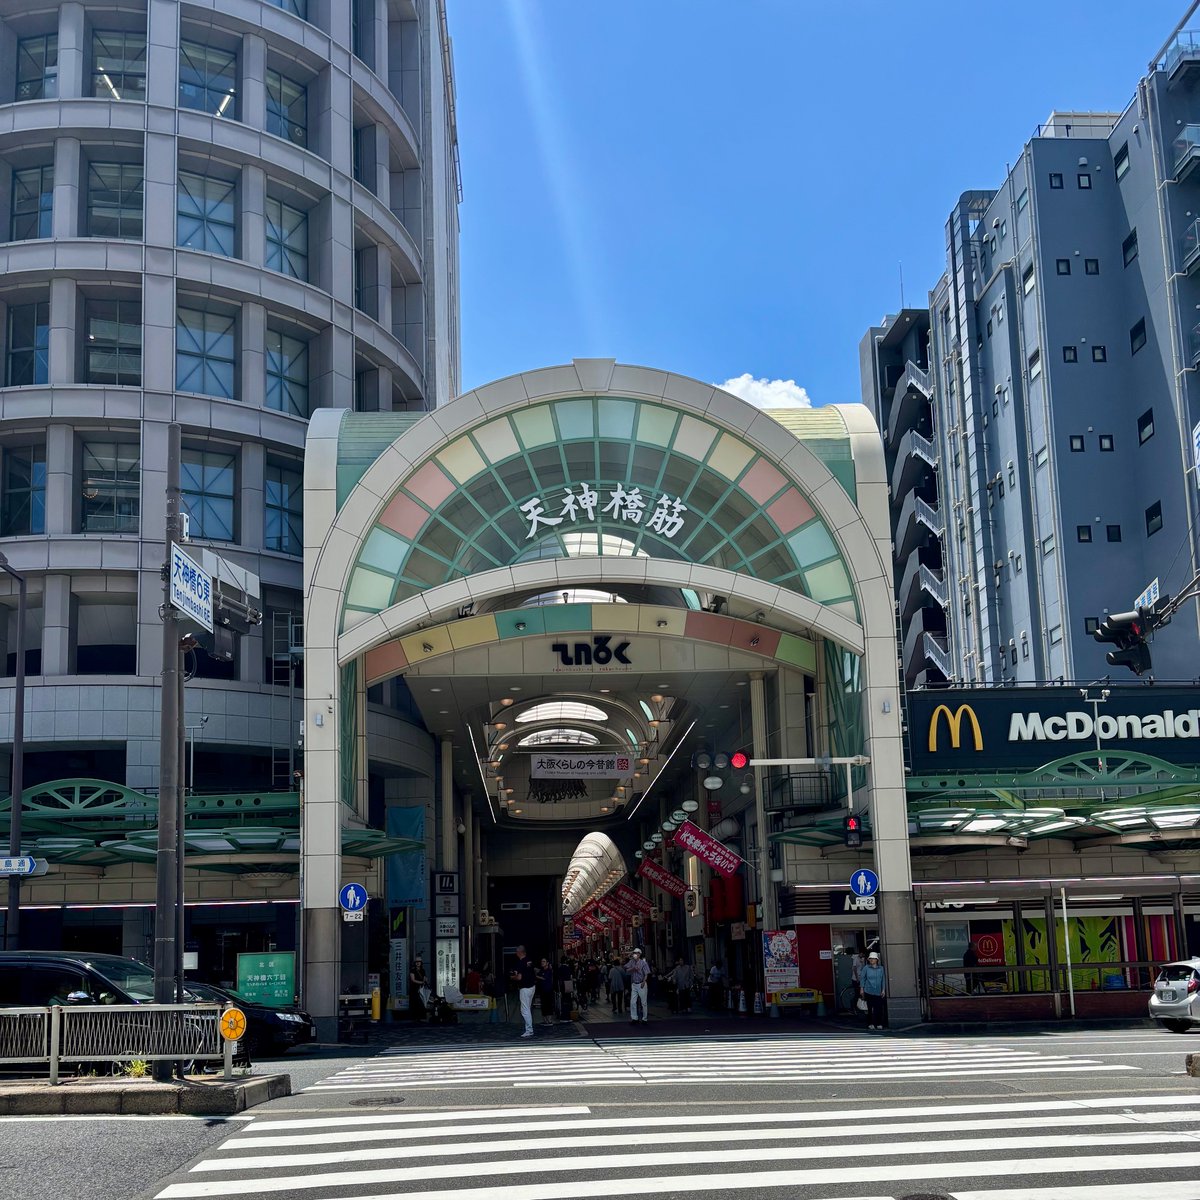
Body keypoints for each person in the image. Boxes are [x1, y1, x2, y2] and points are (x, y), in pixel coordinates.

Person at [511, 945, 538, 1037]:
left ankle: (529, 1030)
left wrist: (512, 977)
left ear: (519, 952)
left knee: (525, 1010)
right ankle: (529, 1028)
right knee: (528, 1008)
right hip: (532, 987)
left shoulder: (520, 963)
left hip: (524, 988)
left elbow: (519, 977)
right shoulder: (529, 961)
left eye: (516, 952)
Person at [859, 950, 887, 1030]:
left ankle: (879, 1023)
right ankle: (870, 1023)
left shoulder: (881, 968)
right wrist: (861, 989)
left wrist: (883, 990)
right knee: (870, 1008)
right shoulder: (866, 968)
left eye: (873, 958)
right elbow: (862, 979)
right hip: (868, 991)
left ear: (877, 960)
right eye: (870, 958)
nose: (872, 960)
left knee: (879, 1008)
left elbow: (883, 979)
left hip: (878, 991)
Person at [625, 948, 651, 1023]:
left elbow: (646, 974)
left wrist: (644, 981)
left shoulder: (643, 963)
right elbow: (626, 968)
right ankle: (634, 1018)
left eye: (636, 953)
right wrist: (633, 968)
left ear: (639, 954)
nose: (635, 954)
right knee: (633, 1002)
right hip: (634, 984)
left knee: (643, 1002)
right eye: (634, 953)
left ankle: (644, 1018)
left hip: (641, 983)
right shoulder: (631, 962)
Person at [409, 957, 430, 1021]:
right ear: (415, 963)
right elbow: (413, 980)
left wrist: (426, 980)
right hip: (414, 989)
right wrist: (421, 982)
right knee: (415, 1003)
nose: (418, 963)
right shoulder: (412, 970)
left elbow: (424, 978)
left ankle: (421, 1017)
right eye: (416, 962)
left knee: (422, 1002)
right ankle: (415, 1018)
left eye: (419, 962)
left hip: (421, 988)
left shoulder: (422, 970)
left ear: (421, 963)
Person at [538, 957, 556, 1026]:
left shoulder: (549, 970)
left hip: (548, 990)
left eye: (544, 961)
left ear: (547, 963)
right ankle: (545, 1021)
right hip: (542, 990)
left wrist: (537, 976)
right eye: (542, 961)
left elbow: (544, 977)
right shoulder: (541, 970)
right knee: (543, 1005)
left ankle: (549, 1020)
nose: (542, 963)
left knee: (549, 1004)